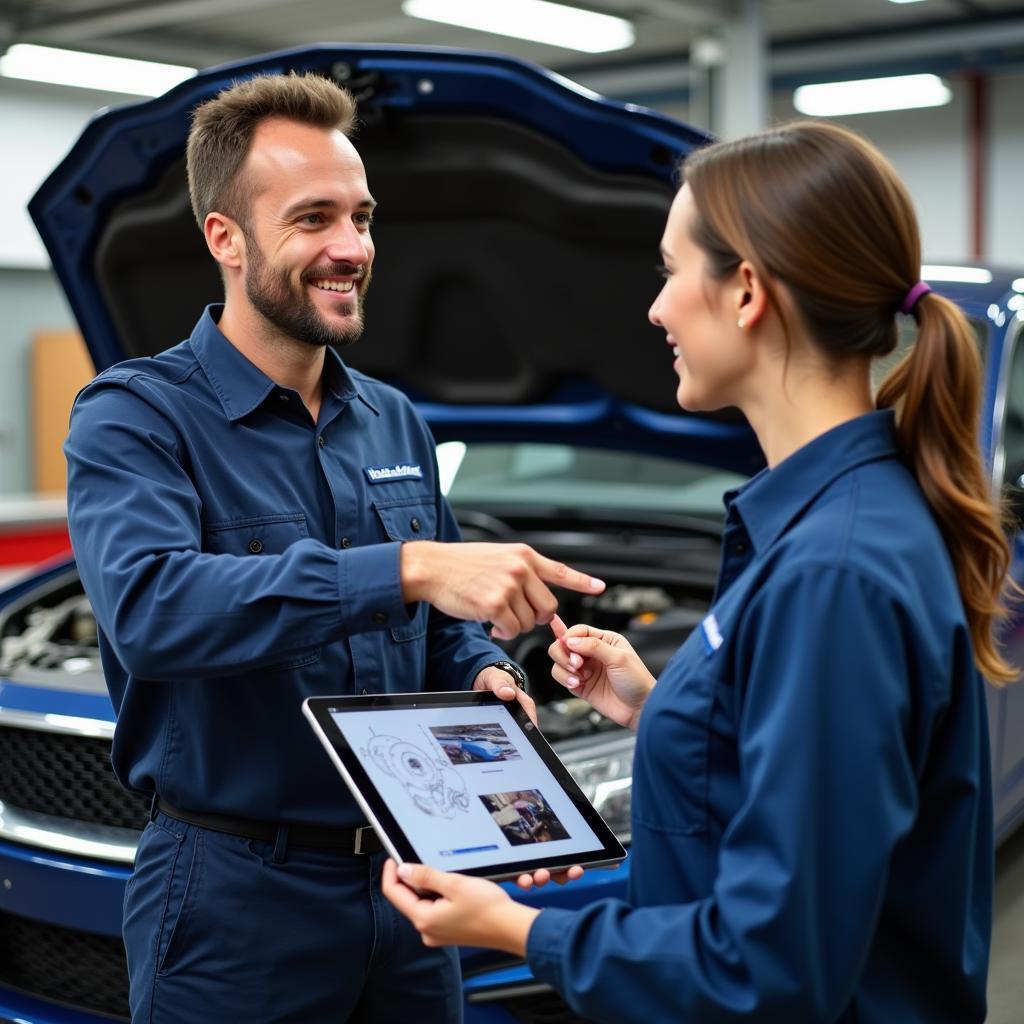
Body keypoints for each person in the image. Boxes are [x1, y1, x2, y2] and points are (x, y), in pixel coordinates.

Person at [382, 119, 1016, 1023]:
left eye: (671, 271)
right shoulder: (830, 525)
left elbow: (770, 967)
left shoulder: (834, 573)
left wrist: (521, 929)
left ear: (748, 290)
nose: (656, 309)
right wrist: (665, 706)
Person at [64, 72, 605, 1024]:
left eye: (361, 216)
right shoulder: (135, 416)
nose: (351, 248)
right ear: (224, 238)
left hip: (410, 886)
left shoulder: (392, 419)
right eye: (313, 218)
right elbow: (151, 610)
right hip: (233, 898)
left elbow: (439, 627)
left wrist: (481, 672)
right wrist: (406, 568)